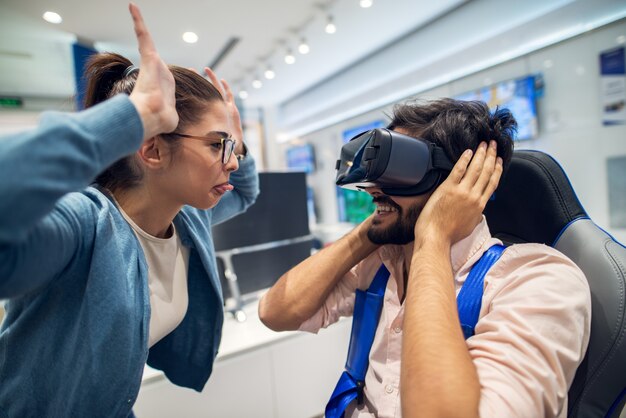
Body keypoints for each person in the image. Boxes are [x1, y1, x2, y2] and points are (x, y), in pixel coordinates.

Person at [0, 3, 258, 417]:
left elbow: (244, 193)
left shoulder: (187, 220)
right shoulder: (83, 226)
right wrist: (133, 118)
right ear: (153, 150)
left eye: (233, 149)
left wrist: (235, 139)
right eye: (217, 145)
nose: (232, 161)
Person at [259, 99, 591, 417]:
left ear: (462, 182)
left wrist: (433, 238)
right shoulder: (380, 265)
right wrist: (374, 225)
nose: (374, 188)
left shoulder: (535, 280)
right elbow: (277, 312)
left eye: (397, 171)